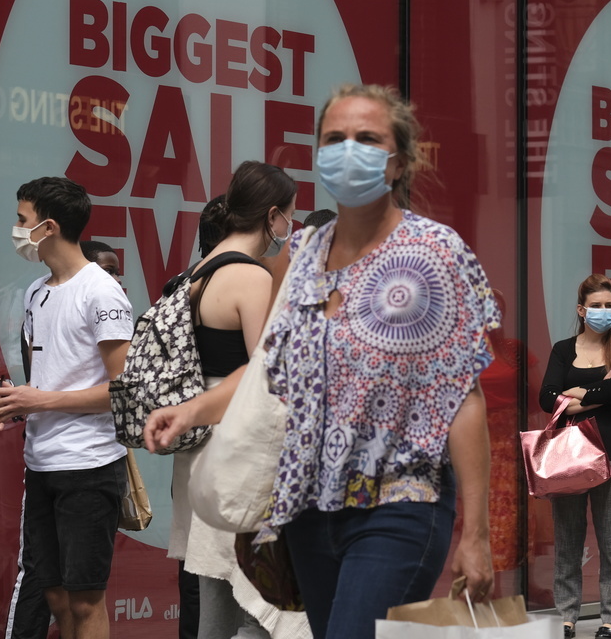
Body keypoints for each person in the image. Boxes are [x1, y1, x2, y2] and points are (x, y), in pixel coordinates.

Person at [144, 83, 500, 639]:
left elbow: (464, 396)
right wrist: (193, 411)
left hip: (400, 501)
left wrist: (476, 533)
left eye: (367, 138)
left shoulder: (436, 253)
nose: (348, 149)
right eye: (335, 138)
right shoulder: (302, 254)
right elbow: (271, 370)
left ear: (398, 161)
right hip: (308, 509)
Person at [0, 177, 134, 639]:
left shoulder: (101, 291)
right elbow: (51, 380)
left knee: (85, 601)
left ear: (48, 227)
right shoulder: (34, 293)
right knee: (56, 597)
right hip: (41, 464)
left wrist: (37, 398)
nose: (16, 229)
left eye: (22, 220)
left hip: (89, 464)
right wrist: (16, 398)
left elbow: (121, 390)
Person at [165, 161, 307, 639]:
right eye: (289, 215)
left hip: (199, 444)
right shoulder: (251, 276)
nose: (289, 227)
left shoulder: (198, 271)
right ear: (271, 216)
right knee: (256, 602)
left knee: (214, 595)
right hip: (238, 446)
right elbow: (265, 374)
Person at [538, 274, 611, 639]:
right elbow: (546, 396)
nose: (603, 311)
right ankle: (567, 617)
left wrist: (577, 393)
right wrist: (594, 392)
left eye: (609, 305)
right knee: (568, 540)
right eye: (596, 306)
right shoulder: (564, 349)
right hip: (570, 456)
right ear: (582, 310)